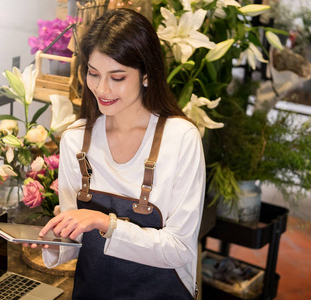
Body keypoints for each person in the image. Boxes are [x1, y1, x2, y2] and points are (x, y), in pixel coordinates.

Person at [38, 8, 205, 299]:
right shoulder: (75, 139)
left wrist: (104, 222)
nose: (102, 89)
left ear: (146, 76)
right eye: (93, 73)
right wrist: (54, 241)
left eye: (117, 77)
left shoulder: (181, 139)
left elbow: (180, 249)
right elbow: (73, 236)